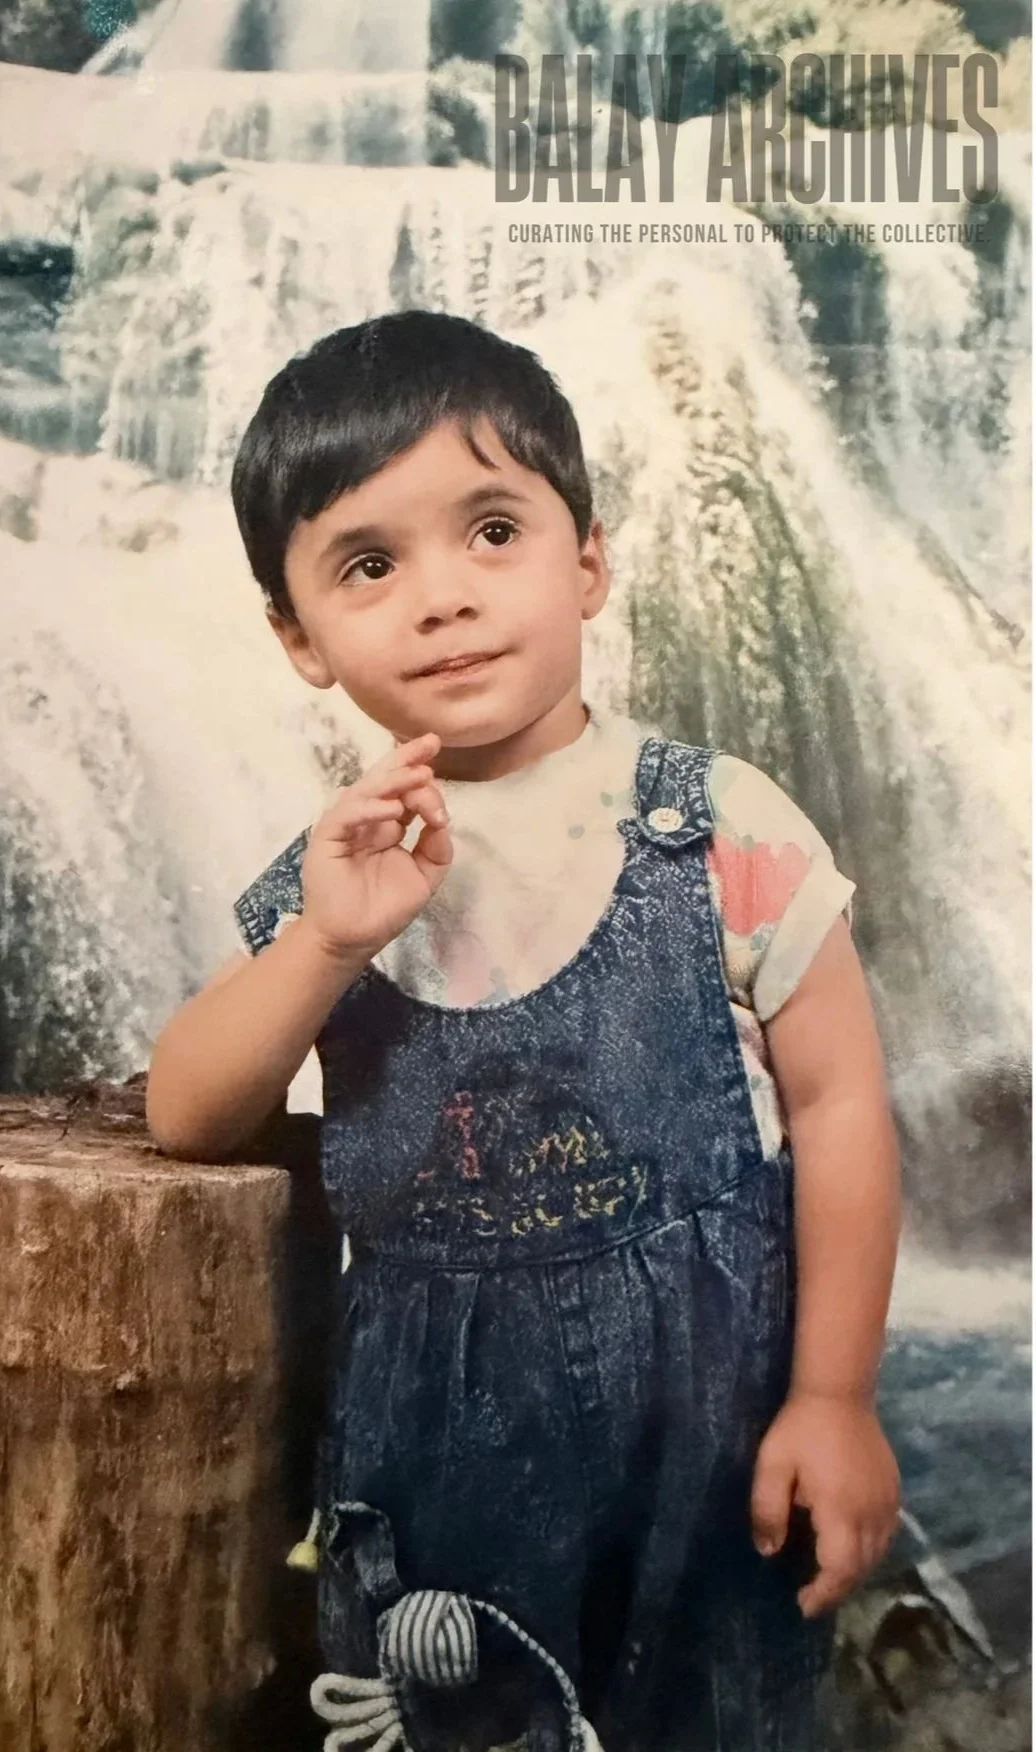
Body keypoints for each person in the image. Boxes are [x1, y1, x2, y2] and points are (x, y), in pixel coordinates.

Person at [145, 310, 902, 1752]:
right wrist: (327, 939)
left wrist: (836, 1395)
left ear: (590, 559)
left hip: (712, 1461)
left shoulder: (719, 826)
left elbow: (845, 1110)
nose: (444, 598)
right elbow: (186, 1110)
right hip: (446, 1496)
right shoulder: (340, 872)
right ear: (299, 637)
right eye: (371, 565)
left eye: (493, 530)